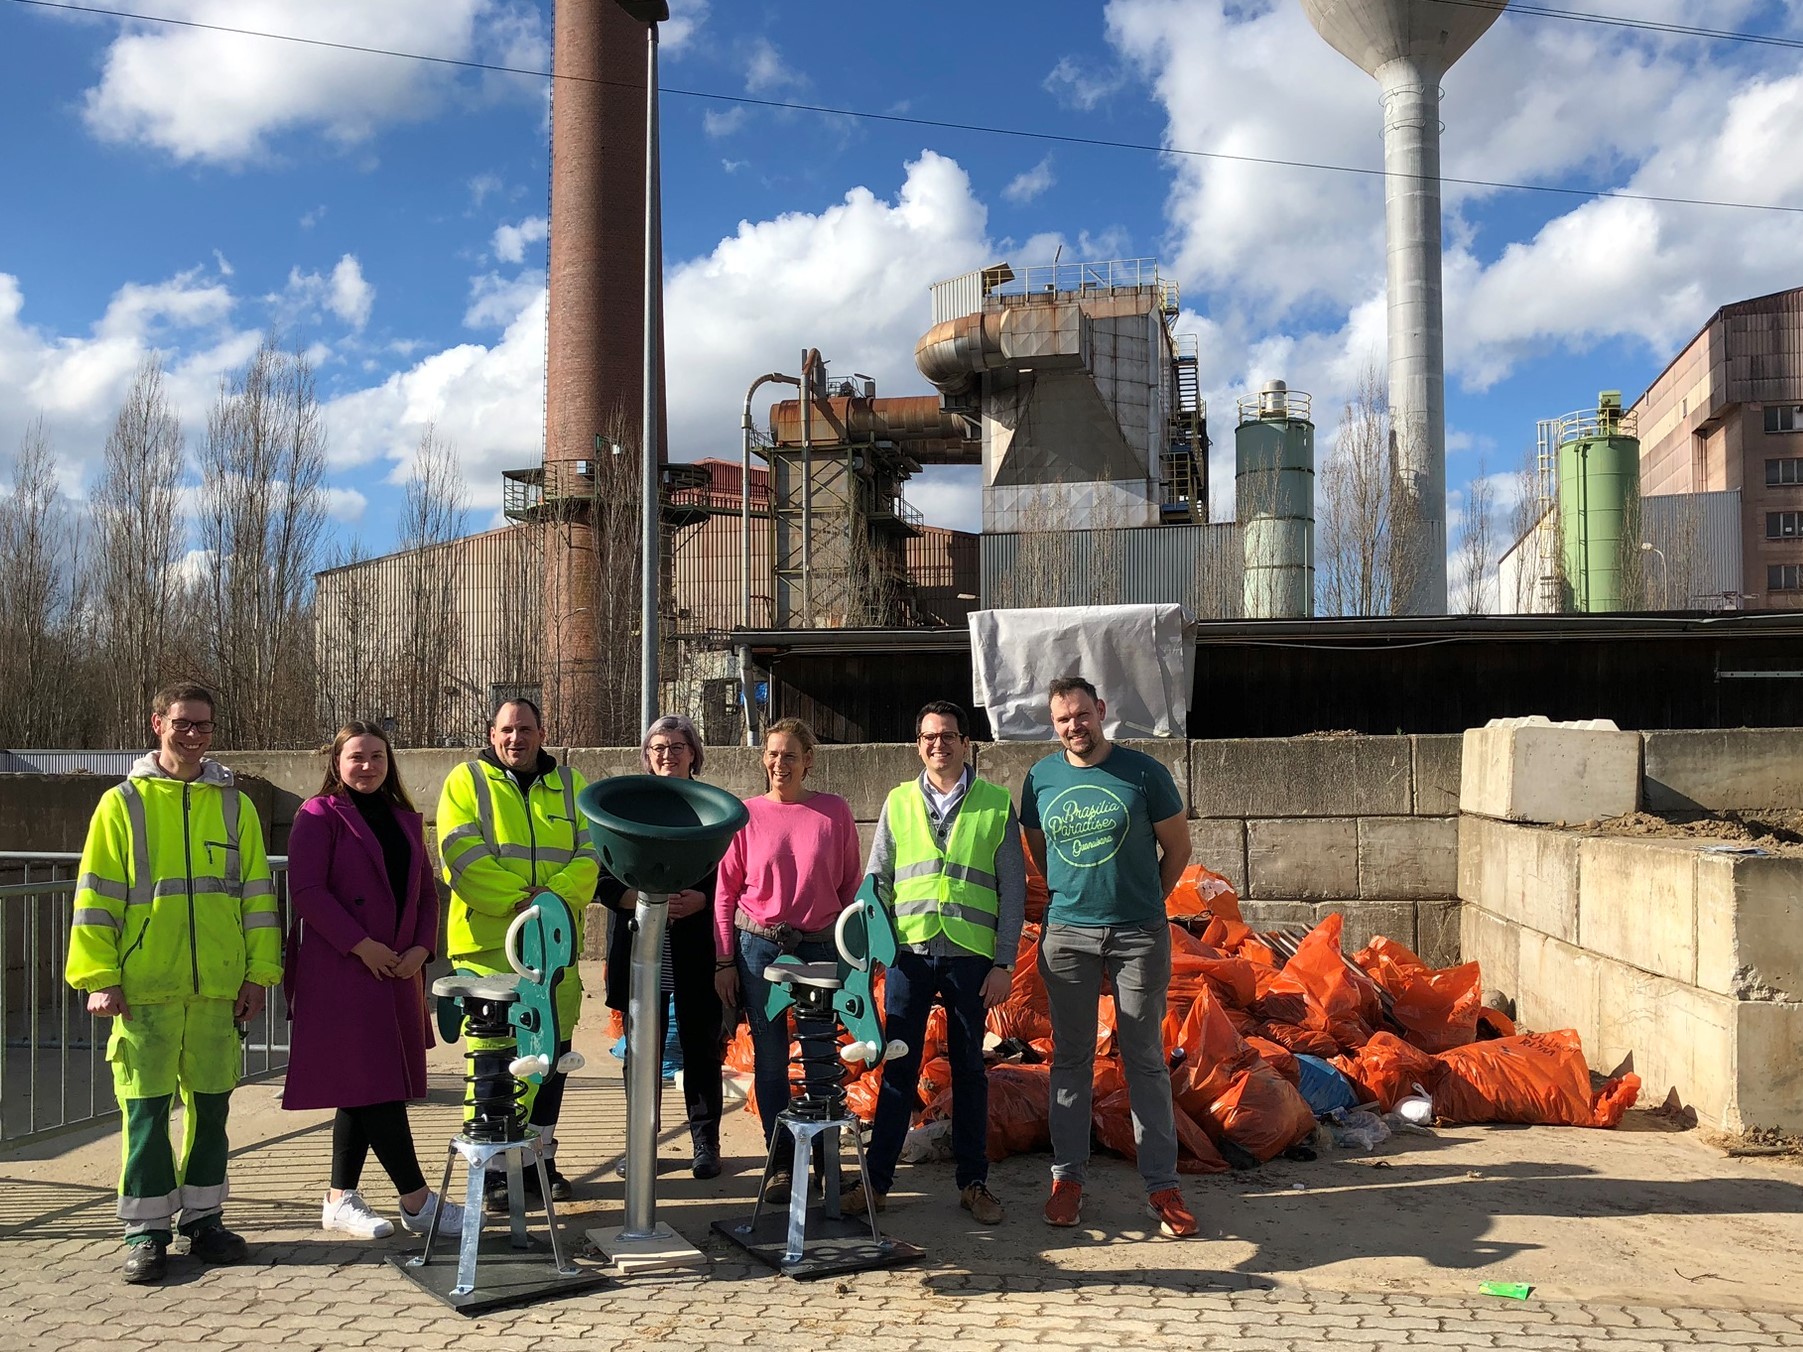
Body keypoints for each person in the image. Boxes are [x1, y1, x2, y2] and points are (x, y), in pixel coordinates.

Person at [65, 683, 281, 1284]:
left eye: (204, 725)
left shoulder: (234, 806)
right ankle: (145, 1230)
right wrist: (100, 978)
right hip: (144, 990)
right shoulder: (122, 804)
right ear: (157, 723)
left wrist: (259, 974)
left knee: (212, 1112)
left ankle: (204, 1220)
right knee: (146, 1113)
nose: (193, 735)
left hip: (216, 989)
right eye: (182, 723)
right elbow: (95, 899)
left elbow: (259, 900)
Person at [1019, 675, 1199, 1238]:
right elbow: (1041, 855)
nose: (1075, 726)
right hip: (1068, 935)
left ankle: (1161, 1186)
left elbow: (1179, 849)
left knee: (1144, 1059)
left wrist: (1147, 902)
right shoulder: (1040, 779)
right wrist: (1076, 900)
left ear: (1101, 710)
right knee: (1069, 1060)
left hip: (1138, 935)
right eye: (1063, 720)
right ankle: (1067, 1180)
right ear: (1054, 726)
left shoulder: (1144, 772)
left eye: (1082, 714)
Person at [842, 700, 1023, 1227]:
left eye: (947, 736)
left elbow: (1013, 888)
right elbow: (876, 881)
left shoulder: (993, 803)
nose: (937, 745)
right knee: (897, 1066)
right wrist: (873, 953)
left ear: (966, 743)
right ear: (918, 744)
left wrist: (1004, 964)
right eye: (927, 737)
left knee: (969, 1071)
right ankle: (875, 1184)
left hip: (971, 960)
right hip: (909, 956)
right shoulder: (899, 802)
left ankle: (973, 1183)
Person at [282, 722, 464, 1239]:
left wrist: (422, 950)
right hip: (344, 969)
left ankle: (339, 1198)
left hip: (396, 970)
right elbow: (309, 891)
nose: (367, 766)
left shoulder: (404, 818)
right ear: (336, 763)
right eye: (356, 757)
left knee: (364, 1085)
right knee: (375, 1084)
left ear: (390, 762)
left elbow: (427, 893)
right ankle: (417, 1200)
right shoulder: (318, 815)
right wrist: (362, 946)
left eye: (377, 756)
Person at [437, 698, 598, 1209]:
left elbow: (591, 855)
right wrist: (522, 901)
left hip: (553, 950)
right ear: (492, 733)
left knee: (550, 1059)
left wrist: (548, 901)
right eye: (507, 730)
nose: (516, 738)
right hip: (488, 949)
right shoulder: (467, 781)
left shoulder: (573, 786)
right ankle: (494, 1171)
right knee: (493, 1064)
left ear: (541, 733)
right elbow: (461, 854)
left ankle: (538, 1164)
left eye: (525, 729)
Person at [714, 718, 861, 1200]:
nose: (781, 763)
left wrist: (851, 952)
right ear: (764, 760)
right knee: (772, 1058)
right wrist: (724, 961)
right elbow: (725, 893)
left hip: (820, 946)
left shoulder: (833, 812)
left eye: (790, 755)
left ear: (808, 760)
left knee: (822, 1056)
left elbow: (849, 887)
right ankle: (780, 1162)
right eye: (773, 754)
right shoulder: (746, 815)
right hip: (759, 947)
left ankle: (827, 1162)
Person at [599, 715, 726, 1180]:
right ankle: (640, 1145)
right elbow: (603, 878)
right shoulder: (627, 807)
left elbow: (735, 877)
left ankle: (705, 1143)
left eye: (677, 746)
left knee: (700, 1047)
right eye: (658, 747)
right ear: (646, 756)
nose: (667, 754)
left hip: (694, 949)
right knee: (641, 1053)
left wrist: (704, 900)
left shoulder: (713, 808)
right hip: (639, 948)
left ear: (694, 753)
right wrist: (641, 898)